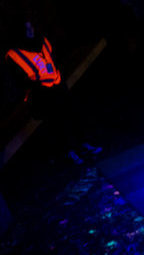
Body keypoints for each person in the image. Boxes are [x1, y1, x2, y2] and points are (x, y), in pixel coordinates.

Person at [4, 19, 101, 164]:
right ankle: (68, 152)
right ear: (20, 32)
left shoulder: (41, 40)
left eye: (31, 27)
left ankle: (82, 144)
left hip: (57, 84)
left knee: (72, 115)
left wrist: (58, 76)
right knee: (56, 124)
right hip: (41, 94)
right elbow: (20, 80)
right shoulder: (14, 54)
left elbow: (54, 57)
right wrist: (36, 89)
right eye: (26, 29)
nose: (30, 31)